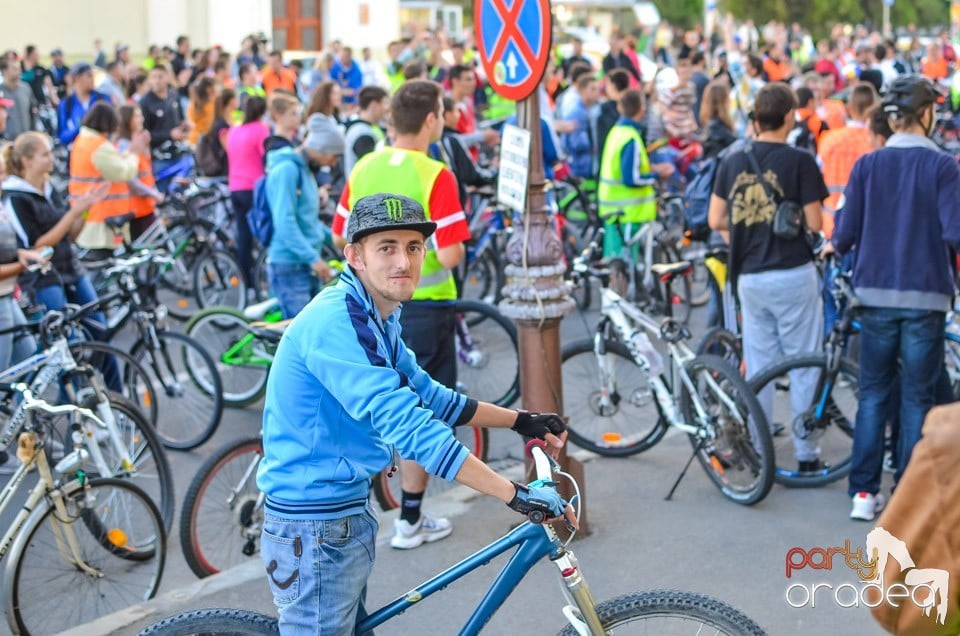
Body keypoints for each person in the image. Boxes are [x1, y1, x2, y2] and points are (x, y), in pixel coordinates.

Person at [258, 191, 573, 632]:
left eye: (413, 247)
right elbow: (411, 428)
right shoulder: (338, 320)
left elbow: (431, 397)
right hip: (314, 528)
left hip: (340, 516)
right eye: (385, 248)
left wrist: (522, 421)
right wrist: (513, 494)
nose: (402, 261)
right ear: (355, 256)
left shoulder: (374, 313)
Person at [333, 80, 471, 550]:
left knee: (372, 405)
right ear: (432, 119)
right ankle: (409, 521)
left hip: (366, 304)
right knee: (424, 413)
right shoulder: (436, 173)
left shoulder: (366, 164)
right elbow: (450, 255)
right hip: (425, 308)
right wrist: (411, 255)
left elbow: (340, 236)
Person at [831, 75, 960, 521]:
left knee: (872, 395)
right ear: (926, 115)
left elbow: (844, 234)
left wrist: (834, 243)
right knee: (916, 397)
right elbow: (956, 232)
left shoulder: (867, 165)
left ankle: (863, 495)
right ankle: (907, 496)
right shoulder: (944, 167)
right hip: (925, 297)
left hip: (874, 294)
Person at [708, 82, 828, 477]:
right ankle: (806, 451)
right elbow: (814, 223)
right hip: (793, 272)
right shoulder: (800, 161)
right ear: (791, 116)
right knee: (804, 361)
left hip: (751, 277)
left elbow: (715, 220)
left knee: (760, 363)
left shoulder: (732, 160)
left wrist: (742, 239)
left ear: (755, 118)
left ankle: (760, 447)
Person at [0, 148, 50, 474]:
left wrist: (23, 255)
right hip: (2, 302)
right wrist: (22, 262)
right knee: (4, 379)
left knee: (29, 363)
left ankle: (25, 437)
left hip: (9, 300)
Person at [264, 111, 341, 319]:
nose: (333, 163)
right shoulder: (288, 170)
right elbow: (285, 223)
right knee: (300, 340)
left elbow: (309, 222)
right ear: (322, 149)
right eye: (333, 156)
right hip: (290, 266)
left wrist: (340, 239)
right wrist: (313, 258)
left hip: (305, 264)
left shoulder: (305, 170)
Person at [598, 89, 674, 260]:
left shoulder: (616, 132)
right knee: (626, 266)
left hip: (615, 210)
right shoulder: (630, 138)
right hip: (628, 213)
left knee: (616, 265)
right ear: (641, 109)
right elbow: (631, 178)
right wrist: (656, 176)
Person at [69, 102, 147, 250]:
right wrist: (134, 154)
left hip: (89, 215)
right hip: (103, 219)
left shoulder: (83, 140)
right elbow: (123, 173)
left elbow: (111, 163)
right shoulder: (98, 146)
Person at [226, 96, 269, 292]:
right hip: (254, 187)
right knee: (264, 233)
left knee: (244, 238)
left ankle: (248, 283)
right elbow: (267, 157)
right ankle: (265, 275)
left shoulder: (234, 129)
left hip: (235, 186)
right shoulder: (260, 129)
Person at [438, 96, 496, 210]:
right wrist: (494, 170)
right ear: (447, 115)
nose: (459, 115)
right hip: (455, 205)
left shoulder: (437, 140)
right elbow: (472, 176)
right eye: (456, 111)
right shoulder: (451, 140)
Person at [116, 104, 163, 239]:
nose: (141, 119)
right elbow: (132, 180)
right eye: (136, 116)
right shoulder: (124, 145)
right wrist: (154, 194)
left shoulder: (139, 140)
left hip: (147, 205)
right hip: (136, 208)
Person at [140, 65, 191, 176]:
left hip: (178, 152)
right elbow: (145, 134)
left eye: (160, 77)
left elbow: (181, 119)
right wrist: (169, 135)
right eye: (154, 77)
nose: (157, 81)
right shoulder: (145, 103)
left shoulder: (174, 95)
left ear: (167, 78)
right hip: (159, 157)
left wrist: (185, 126)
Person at [56, 62, 109, 147]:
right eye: (88, 75)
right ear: (77, 78)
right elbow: (63, 136)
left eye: (92, 75)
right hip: (78, 154)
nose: (92, 79)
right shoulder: (66, 104)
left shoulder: (102, 99)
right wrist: (81, 128)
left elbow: (112, 128)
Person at [342, 85, 388, 179]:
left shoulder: (369, 128)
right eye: (384, 103)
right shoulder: (361, 133)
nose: (387, 108)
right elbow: (371, 166)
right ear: (373, 105)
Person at [196, 88, 235, 178]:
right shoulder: (221, 125)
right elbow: (229, 148)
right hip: (223, 171)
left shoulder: (224, 122)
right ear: (231, 101)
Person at [0, 56, 35, 142]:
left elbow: (32, 112)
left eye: (19, 68)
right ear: (5, 71)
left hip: (25, 139)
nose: (19, 72)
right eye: (15, 69)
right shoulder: (1, 91)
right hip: (7, 141)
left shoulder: (26, 88)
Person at [188, 77, 217, 146]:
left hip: (198, 139)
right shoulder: (199, 104)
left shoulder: (195, 103)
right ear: (209, 89)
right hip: (200, 141)